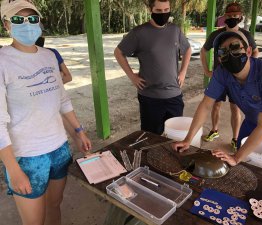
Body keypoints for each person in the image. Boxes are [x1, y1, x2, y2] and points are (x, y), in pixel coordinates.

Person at [0, 1, 92, 225]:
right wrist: (13, 168)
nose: (26, 24)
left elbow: (62, 100)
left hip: (59, 148)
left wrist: (79, 132)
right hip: (27, 157)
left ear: (39, 22)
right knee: (34, 221)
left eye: (32, 19)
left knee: (54, 205)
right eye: (18, 19)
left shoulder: (49, 56)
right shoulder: (2, 61)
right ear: (6, 25)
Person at [173, 30, 262, 169]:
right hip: (252, 122)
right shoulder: (222, 73)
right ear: (219, 58)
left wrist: (236, 157)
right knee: (244, 163)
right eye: (223, 52)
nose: (230, 54)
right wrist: (188, 140)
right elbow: (206, 105)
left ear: (249, 51)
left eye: (235, 47)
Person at [114, 0, 192, 135]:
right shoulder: (139, 33)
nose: (163, 14)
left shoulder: (175, 30)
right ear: (151, 10)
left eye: (166, 10)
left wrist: (183, 72)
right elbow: (118, 53)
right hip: (150, 98)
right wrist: (132, 76)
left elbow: (188, 49)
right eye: (159, 11)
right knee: (150, 138)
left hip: (174, 96)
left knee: (175, 137)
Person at [201, 2, 259, 151]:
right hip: (219, 77)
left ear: (240, 17)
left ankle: (235, 138)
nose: (232, 18)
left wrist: (249, 72)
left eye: (235, 15)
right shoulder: (216, 34)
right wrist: (207, 70)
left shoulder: (246, 35)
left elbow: (255, 52)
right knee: (215, 104)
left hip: (237, 78)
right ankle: (214, 130)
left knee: (235, 107)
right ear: (224, 17)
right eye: (229, 15)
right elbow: (203, 50)